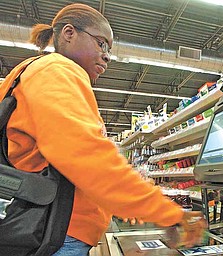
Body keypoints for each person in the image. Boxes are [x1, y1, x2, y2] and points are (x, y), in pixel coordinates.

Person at [0, 3, 206, 256]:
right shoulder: (57, 71)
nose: (107, 55)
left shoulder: (30, 72)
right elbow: (89, 158)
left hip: (48, 227)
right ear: (68, 33)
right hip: (57, 232)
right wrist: (169, 213)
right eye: (101, 43)